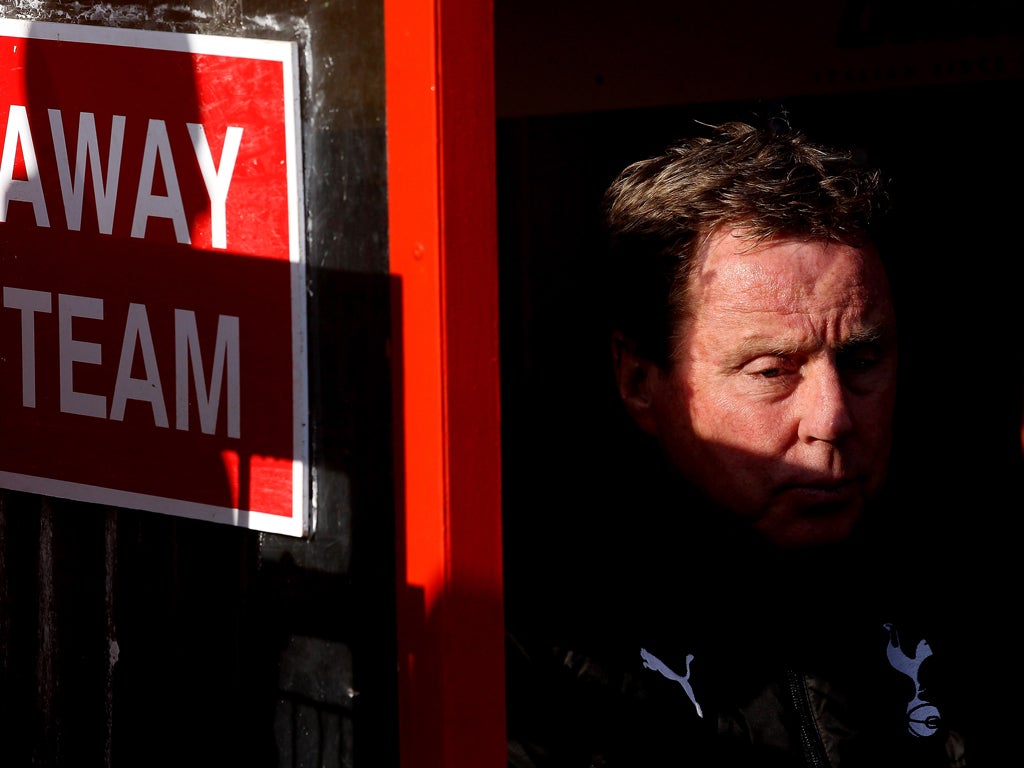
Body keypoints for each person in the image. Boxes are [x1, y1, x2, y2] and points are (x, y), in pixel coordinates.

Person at [505, 119, 973, 767]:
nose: (831, 419)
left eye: (862, 359)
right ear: (640, 379)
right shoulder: (542, 646)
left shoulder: (966, 578)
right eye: (771, 371)